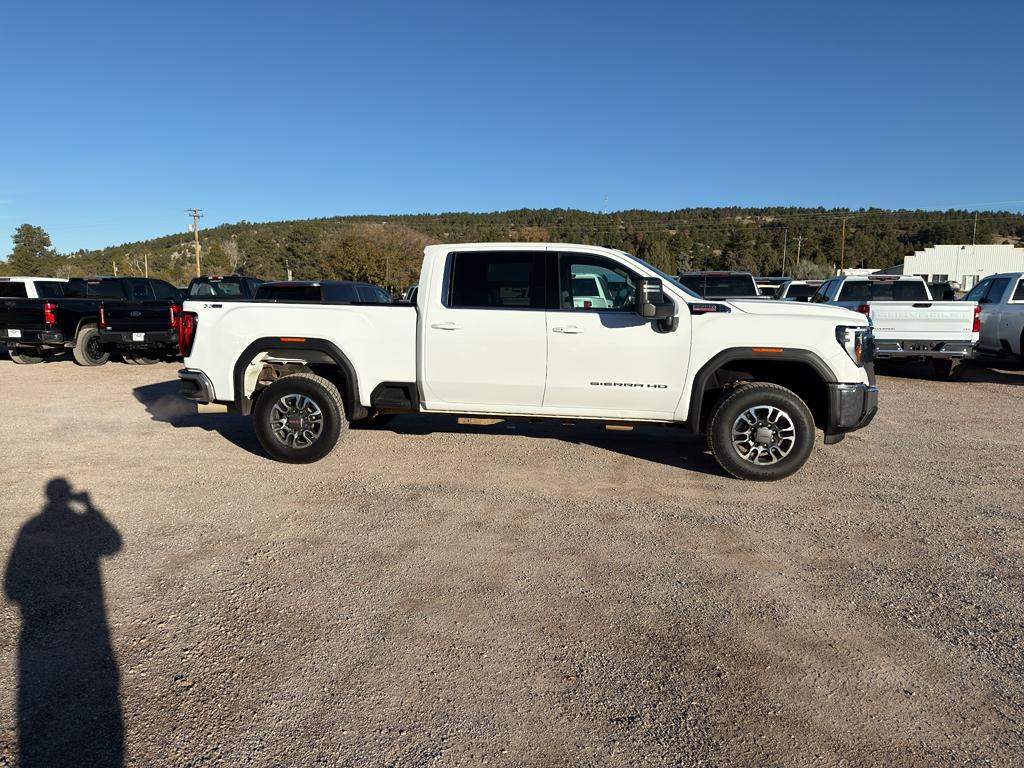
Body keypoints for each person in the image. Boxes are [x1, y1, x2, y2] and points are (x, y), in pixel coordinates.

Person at [4, 478, 123, 767]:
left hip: (35, 628)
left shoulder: (29, 526)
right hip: (92, 620)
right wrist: (92, 509)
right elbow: (112, 545)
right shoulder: (40, 525)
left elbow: (12, 588)